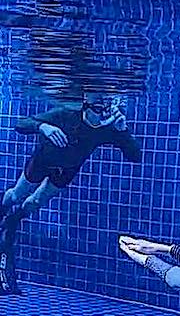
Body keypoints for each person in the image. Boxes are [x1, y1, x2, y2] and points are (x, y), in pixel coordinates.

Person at [1, 94, 142, 227]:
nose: (102, 116)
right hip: (43, 161)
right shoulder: (66, 114)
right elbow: (20, 124)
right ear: (85, 106)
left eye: (107, 109)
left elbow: (135, 156)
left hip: (68, 169)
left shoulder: (108, 128)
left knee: (36, 202)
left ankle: (13, 220)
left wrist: (123, 130)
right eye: (98, 109)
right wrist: (42, 126)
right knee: (16, 196)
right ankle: (2, 210)